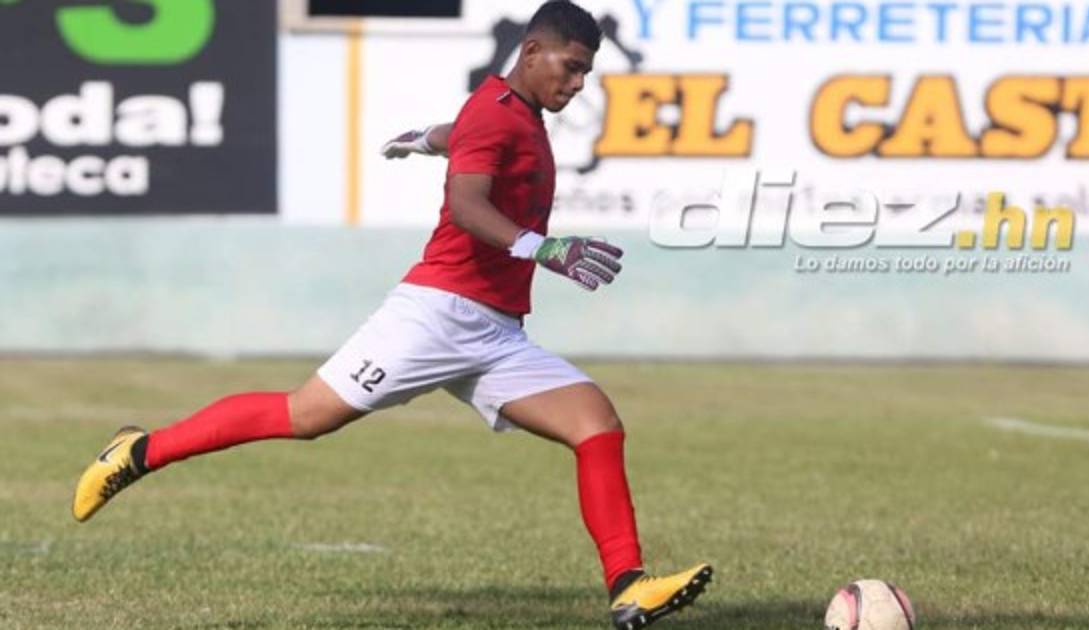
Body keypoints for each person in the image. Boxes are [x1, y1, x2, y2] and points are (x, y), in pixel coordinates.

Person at [72, 2, 712, 628]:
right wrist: (542, 248)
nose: (577, 84)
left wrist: (421, 140)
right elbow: (467, 205)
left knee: (596, 423)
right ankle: (138, 452)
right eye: (570, 68)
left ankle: (629, 587)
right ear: (532, 52)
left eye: (586, 74)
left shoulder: (509, 112)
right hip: (436, 317)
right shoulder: (497, 113)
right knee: (305, 416)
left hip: (494, 332)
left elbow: (462, 135)